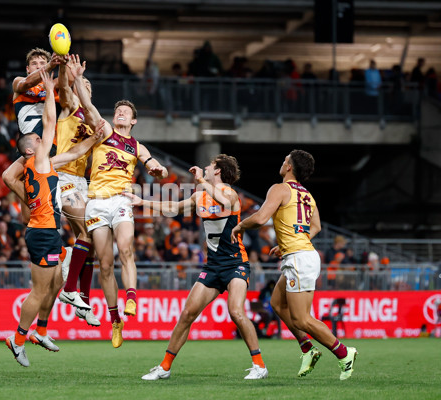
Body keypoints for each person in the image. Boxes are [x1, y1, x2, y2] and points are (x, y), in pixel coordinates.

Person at [126, 154, 267, 380]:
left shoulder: (230, 194)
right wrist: (144, 203)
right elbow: (174, 206)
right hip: (212, 266)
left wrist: (202, 181)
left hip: (235, 263)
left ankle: (259, 365)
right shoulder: (200, 196)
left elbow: (223, 201)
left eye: (211, 166)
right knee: (187, 314)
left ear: (218, 171)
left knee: (236, 311)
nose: (206, 167)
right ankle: (164, 367)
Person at [2, 68, 103, 367]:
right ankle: (18, 339)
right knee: (40, 290)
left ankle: (42, 329)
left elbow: (73, 155)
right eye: (36, 139)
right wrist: (48, 92)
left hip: (45, 231)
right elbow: (48, 123)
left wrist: (94, 139)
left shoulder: (41, 164)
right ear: (32, 148)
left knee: (61, 274)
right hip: (43, 232)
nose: (41, 137)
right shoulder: (40, 157)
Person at [230, 149, 358, 380]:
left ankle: (344, 352)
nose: (282, 162)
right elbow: (315, 226)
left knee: (302, 318)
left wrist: (239, 227)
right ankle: (308, 349)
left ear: (289, 167)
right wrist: (290, 242)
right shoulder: (307, 195)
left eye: (285, 160)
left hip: (299, 258)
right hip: (301, 254)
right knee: (277, 303)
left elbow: (260, 218)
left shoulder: (279, 188)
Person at [69, 54, 168, 348]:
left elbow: (154, 166)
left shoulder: (136, 145)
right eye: (119, 110)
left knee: (126, 248)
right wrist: (76, 78)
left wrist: (158, 170)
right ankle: (115, 321)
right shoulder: (106, 132)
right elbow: (87, 105)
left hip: (122, 200)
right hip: (97, 202)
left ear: (134, 120)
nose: (121, 113)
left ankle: (132, 297)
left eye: (126, 111)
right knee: (104, 263)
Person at [53, 55, 99, 326]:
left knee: (91, 242)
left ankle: (83, 301)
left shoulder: (92, 118)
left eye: (88, 86)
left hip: (83, 182)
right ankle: (70, 289)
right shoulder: (70, 106)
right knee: (86, 232)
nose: (85, 88)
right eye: (82, 84)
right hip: (64, 177)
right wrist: (64, 69)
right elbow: (63, 88)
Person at [12, 48, 60, 156]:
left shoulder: (53, 84)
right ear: (27, 69)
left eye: (42, 63)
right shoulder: (18, 81)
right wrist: (49, 65)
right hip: (28, 148)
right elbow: (28, 82)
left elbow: (67, 80)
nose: (38, 66)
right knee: (8, 174)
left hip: (51, 146)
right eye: (34, 64)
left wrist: (65, 63)